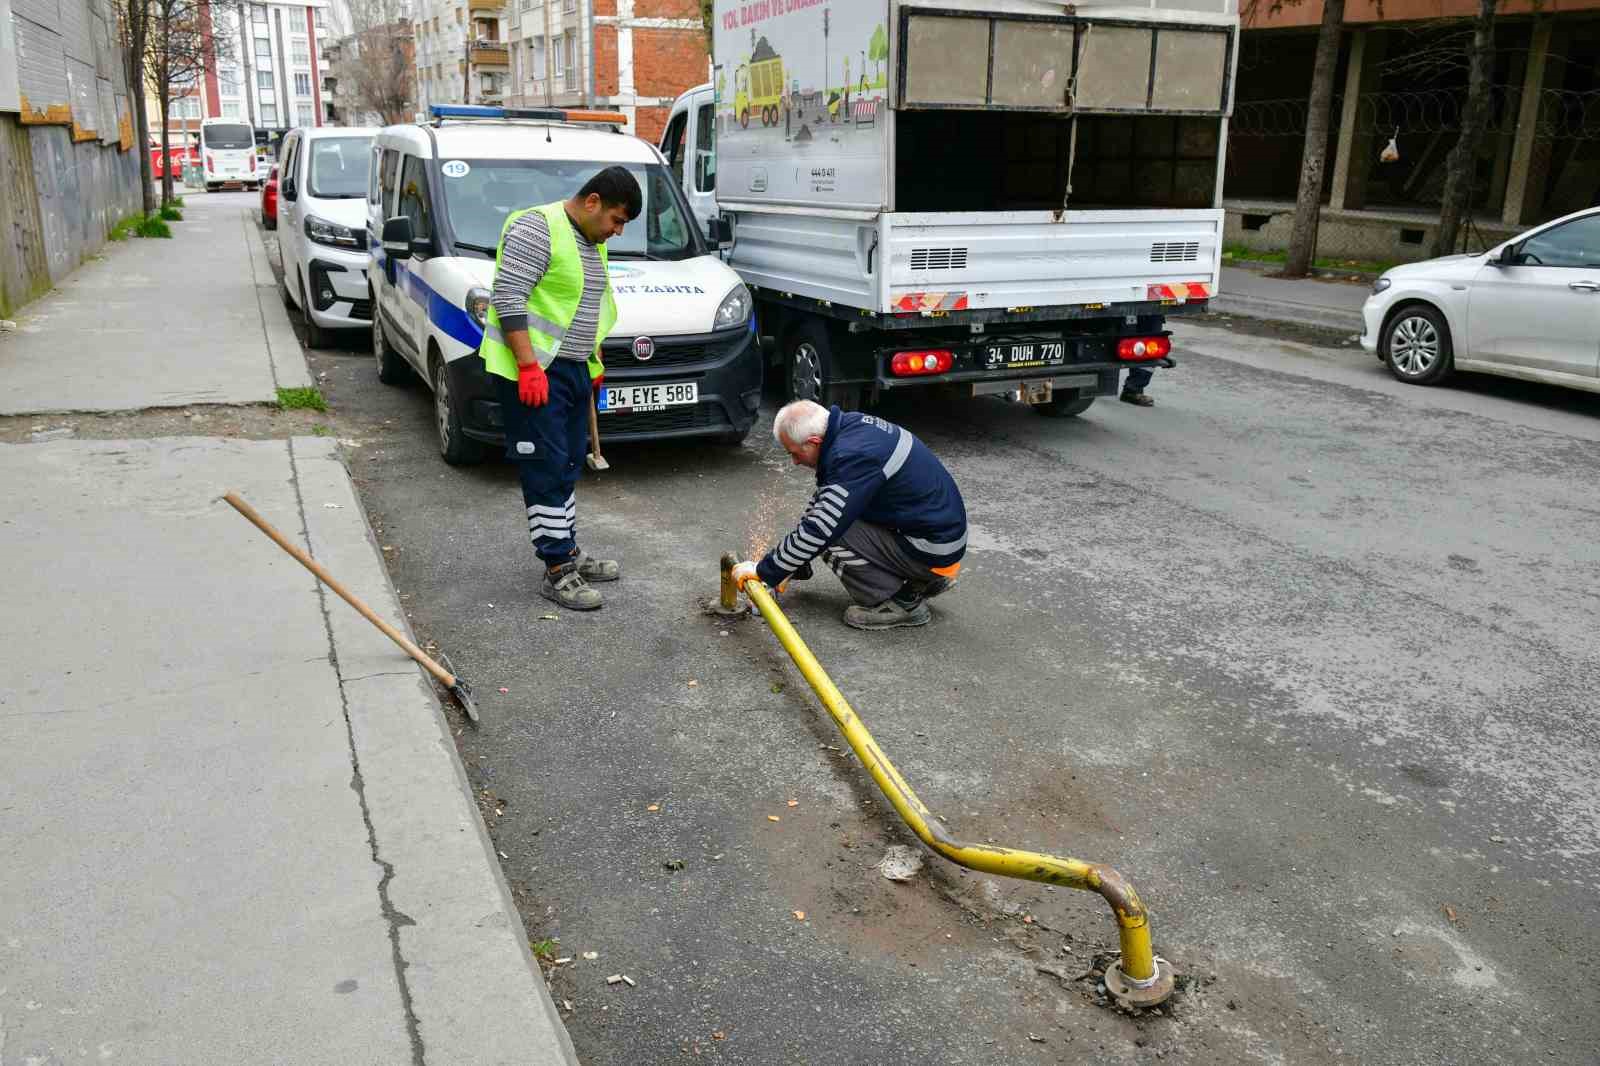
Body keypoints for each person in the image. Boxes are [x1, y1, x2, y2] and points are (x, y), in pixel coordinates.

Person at [477, 166, 642, 611]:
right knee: (546, 467)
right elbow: (509, 297)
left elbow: (589, 304)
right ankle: (556, 570)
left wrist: (594, 359)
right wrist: (529, 366)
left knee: (568, 462)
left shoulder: (591, 240)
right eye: (616, 220)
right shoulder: (537, 228)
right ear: (593, 203)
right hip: (533, 373)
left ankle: (567, 550)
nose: (617, 231)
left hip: (570, 369)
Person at [733, 401, 967, 631]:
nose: (794, 462)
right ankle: (924, 580)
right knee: (829, 512)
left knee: (831, 535)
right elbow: (825, 502)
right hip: (938, 538)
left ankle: (901, 602)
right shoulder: (851, 428)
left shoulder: (850, 455)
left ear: (814, 442)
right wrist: (792, 563)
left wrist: (765, 571)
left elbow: (821, 528)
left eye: (794, 453)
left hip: (931, 550)